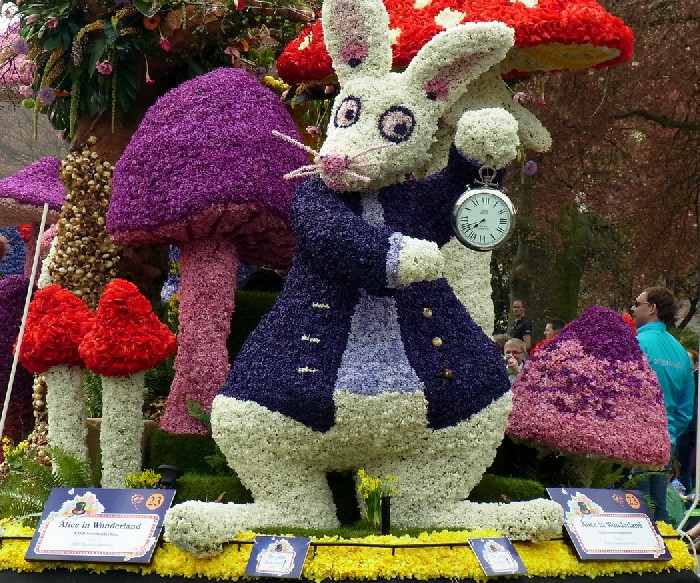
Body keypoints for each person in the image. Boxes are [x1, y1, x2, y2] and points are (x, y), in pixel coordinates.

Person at [632, 286, 695, 523]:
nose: (633, 309)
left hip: (635, 438)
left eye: (637, 304)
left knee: (635, 507)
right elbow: (685, 408)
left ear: (652, 308)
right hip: (666, 440)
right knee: (658, 506)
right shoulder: (680, 352)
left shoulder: (637, 343)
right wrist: (669, 431)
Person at [676, 348, 699, 494]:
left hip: (689, 426)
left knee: (685, 468)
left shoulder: (691, 377)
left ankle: (686, 497)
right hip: (690, 426)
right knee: (686, 468)